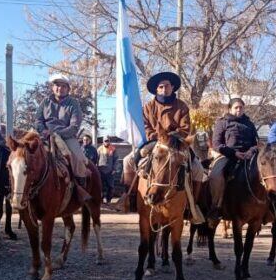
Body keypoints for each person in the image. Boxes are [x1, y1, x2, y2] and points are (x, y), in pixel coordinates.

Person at [121, 71, 205, 223]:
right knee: (127, 160)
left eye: (167, 86)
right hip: (154, 142)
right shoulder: (148, 107)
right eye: (161, 86)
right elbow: (145, 126)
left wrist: (172, 137)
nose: (164, 89)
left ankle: (192, 205)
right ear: (156, 89)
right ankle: (130, 199)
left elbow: (185, 128)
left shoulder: (181, 106)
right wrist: (157, 136)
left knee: (198, 168)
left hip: (177, 143)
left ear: (172, 87)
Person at [36, 74, 91, 201]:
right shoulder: (45, 101)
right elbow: (38, 119)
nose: (59, 88)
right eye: (57, 85)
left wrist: (55, 132)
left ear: (68, 89)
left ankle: (80, 189)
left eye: (63, 86)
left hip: (66, 136)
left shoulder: (73, 103)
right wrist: (43, 130)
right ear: (52, 87)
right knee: (25, 153)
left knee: (77, 158)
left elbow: (74, 126)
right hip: (44, 135)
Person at [207, 98, 259, 227]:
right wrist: (234, 153)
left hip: (249, 156)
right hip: (228, 155)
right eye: (236, 107)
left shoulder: (249, 124)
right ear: (230, 108)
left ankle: (266, 209)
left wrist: (250, 152)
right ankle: (216, 206)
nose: (239, 110)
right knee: (215, 176)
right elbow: (217, 144)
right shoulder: (222, 122)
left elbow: (256, 144)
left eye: (241, 107)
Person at [97, 137, 118, 203]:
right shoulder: (99, 149)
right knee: (100, 186)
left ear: (109, 141)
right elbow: (96, 159)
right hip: (101, 171)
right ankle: (101, 200)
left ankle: (108, 200)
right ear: (103, 142)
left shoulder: (113, 149)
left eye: (107, 141)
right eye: (105, 141)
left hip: (110, 172)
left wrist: (114, 169)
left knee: (110, 187)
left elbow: (116, 160)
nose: (106, 142)